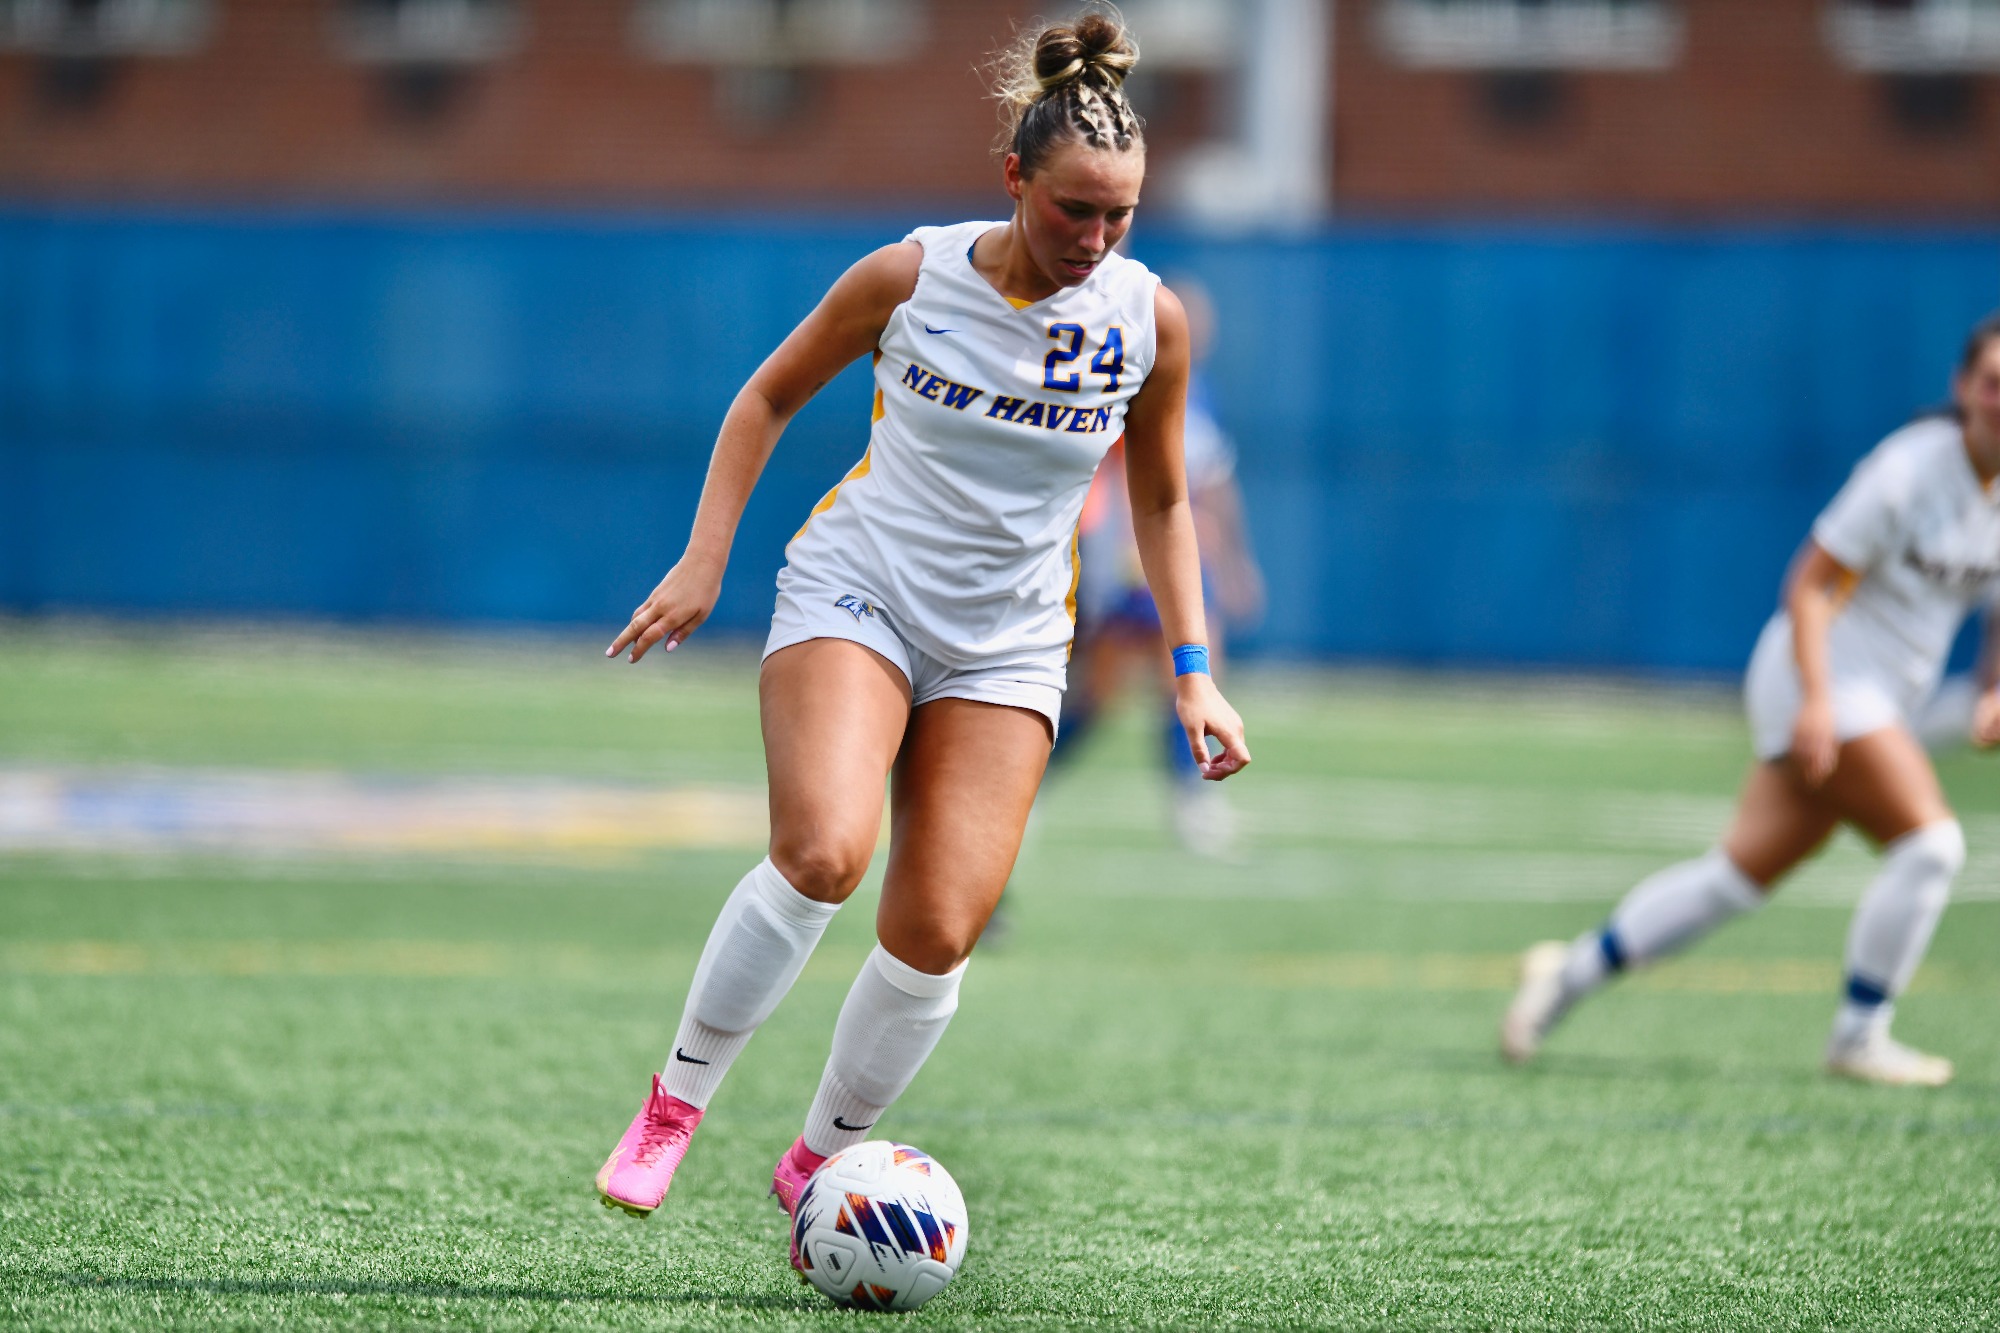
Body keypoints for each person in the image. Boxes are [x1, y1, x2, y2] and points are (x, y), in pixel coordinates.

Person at [591, 9, 1251, 1258]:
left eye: (1120, 217)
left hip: (1008, 644)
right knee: (827, 852)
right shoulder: (910, 276)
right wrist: (701, 560)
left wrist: (1192, 674)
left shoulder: (1143, 320)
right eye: (1073, 211)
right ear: (1013, 178)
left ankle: (816, 1162)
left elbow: (1161, 497)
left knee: (939, 926)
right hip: (859, 595)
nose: (1096, 240)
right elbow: (765, 397)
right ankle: (672, 1107)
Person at [1502, 313, 2000, 1087]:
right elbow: (1808, 585)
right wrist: (1817, 701)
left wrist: (1992, 691)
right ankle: (1860, 1034)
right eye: (1992, 382)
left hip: (1874, 698)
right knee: (1932, 847)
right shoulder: (1908, 472)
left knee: (1733, 879)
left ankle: (1563, 977)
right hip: (1822, 678)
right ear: (1964, 387)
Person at [1054, 275, 1264, 857]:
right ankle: (1034, 777)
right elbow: (1119, 479)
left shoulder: (1202, 394)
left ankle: (1192, 799)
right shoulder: (1126, 380)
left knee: (1193, 672)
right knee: (1101, 690)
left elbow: (1211, 485)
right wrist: (1109, 547)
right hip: (1130, 557)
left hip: (1182, 556)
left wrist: (1233, 561)